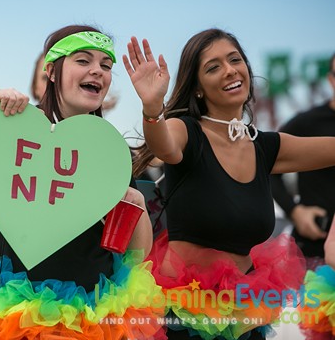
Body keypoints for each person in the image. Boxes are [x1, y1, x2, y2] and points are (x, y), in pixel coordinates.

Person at [0, 25, 163, 340]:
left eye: (106, 66)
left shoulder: (107, 148)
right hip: (16, 313)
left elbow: (135, 257)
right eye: (83, 60)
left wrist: (137, 205)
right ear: (51, 71)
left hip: (92, 315)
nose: (98, 71)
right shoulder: (15, 129)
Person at [125, 28, 335, 340]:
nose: (229, 71)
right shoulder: (186, 132)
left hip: (243, 315)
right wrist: (152, 109)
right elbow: (162, 145)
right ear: (198, 88)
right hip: (183, 313)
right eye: (213, 67)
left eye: (235, 60)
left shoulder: (265, 147)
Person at [271, 53, 335, 271]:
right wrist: (295, 211)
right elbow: (265, 165)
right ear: (330, 79)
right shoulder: (307, 123)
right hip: (314, 253)